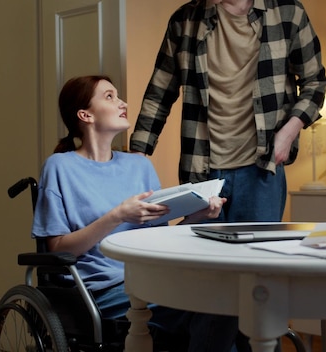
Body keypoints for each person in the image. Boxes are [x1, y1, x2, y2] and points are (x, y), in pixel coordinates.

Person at [32, 75, 238, 351]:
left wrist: (197, 215)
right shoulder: (60, 167)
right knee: (214, 305)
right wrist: (118, 215)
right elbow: (55, 247)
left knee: (230, 297)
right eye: (109, 96)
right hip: (101, 290)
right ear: (85, 114)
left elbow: (158, 238)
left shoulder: (139, 165)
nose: (123, 103)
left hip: (154, 278)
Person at [130, 0, 326, 224]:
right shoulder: (184, 20)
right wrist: (138, 154)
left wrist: (288, 133)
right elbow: (159, 92)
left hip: (261, 168)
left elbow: (315, 82)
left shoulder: (288, 12)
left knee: (257, 256)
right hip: (202, 171)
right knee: (204, 255)